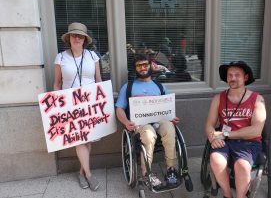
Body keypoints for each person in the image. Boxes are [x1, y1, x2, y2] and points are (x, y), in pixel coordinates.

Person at [115, 54, 180, 189]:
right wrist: (126, 122)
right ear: (135, 68)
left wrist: (172, 117)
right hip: (140, 124)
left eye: (145, 64)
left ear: (151, 66)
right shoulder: (128, 87)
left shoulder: (159, 86)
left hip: (159, 120)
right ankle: (146, 173)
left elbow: (168, 107)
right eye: (139, 66)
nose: (143, 68)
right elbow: (119, 109)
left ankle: (171, 170)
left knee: (169, 128)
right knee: (149, 134)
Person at [205, 61, 266, 198]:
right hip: (224, 142)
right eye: (230, 75)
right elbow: (209, 124)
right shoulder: (218, 98)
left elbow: (256, 130)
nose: (232, 78)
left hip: (249, 142)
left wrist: (225, 134)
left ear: (245, 77)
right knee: (215, 159)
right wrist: (212, 137)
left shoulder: (257, 100)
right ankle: (227, 194)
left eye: (237, 75)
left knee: (242, 166)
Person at [53, 22, 102, 191]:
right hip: (70, 103)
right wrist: (57, 104)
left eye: (80, 36)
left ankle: (81, 172)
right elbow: (57, 83)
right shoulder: (61, 57)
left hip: (90, 103)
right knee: (80, 139)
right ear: (69, 38)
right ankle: (89, 175)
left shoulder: (92, 56)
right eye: (74, 35)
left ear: (84, 39)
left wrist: (102, 99)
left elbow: (98, 80)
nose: (77, 38)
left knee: (87, 138)